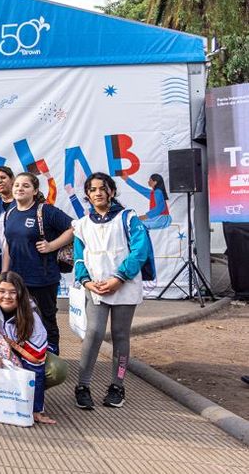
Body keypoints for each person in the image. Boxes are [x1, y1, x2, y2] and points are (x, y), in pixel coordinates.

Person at [73, 173, 151, 409]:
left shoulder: (128, 218)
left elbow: (140, 250)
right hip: (95, 288)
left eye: (102, 188)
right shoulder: (82, 225)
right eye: (92, 189)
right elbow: (79, 258)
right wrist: (85, 281)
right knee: (94, 333)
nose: (97, 193)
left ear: (112, 192)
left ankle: (117, 385)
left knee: (120, 335)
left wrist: (119, 278)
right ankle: (83, 386)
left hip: (123, 286)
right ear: (87, 195)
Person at [0, 271, 68, 425]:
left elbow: (35, 361)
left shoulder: (32, 314)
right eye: (1, 291)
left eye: (12, 292)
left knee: (58, 369)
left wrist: (35, 408)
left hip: (23, 362)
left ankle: (20, 394)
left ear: (21, 293)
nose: (7, 296)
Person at [1, 172, 74, 354]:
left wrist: (52, 246)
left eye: (26, 186)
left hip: (43, 279)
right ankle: (26, 357)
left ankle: (50, 358)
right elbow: (8, 245)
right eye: (17, 185)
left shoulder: (45, 211)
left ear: (35, 191)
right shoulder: (10, 211)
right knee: (18, 320)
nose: (20, 188)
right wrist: (4, 275)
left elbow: (73, 227)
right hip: (17, 280)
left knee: (46, 319)